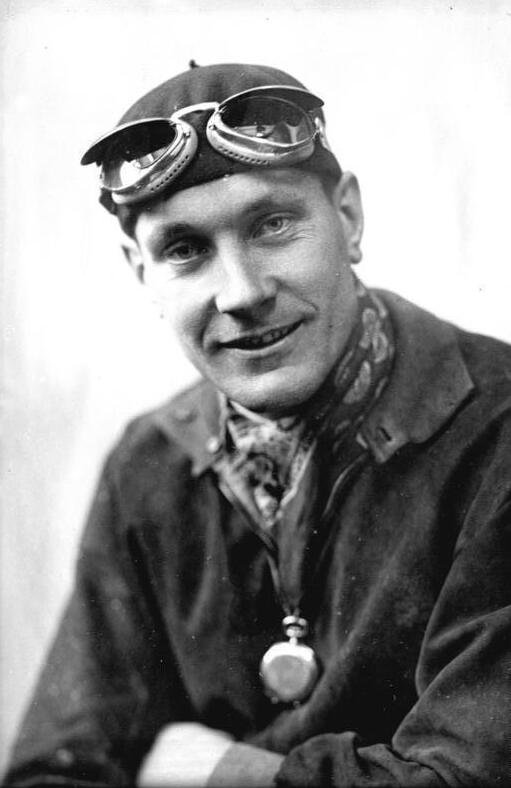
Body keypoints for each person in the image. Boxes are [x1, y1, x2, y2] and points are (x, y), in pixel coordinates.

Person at [4, 61, 511, 788]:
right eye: (184, 250)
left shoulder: (495, 432)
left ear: (348, 218)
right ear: (142, 274)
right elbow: (56, 772)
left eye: (272, 225)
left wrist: (222, 772)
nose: (240, 293)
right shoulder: (150, 464)